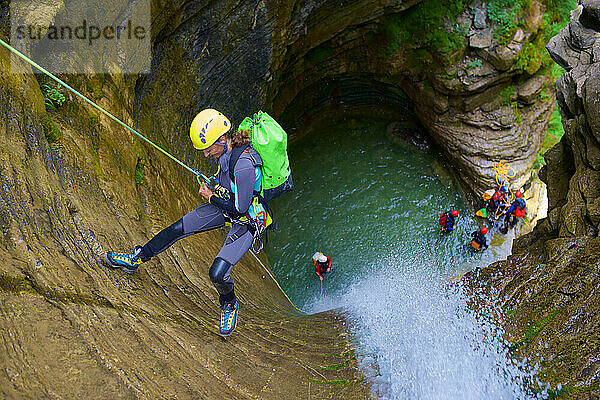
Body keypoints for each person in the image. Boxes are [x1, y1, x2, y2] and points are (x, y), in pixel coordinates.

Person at [105, 109, 268, 337]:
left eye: (208, 149)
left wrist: (210, 197)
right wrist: (213, 185)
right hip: (226, 206)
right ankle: (136, 258)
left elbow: (240, 208)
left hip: (246, 220)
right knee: (177, 229)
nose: (205, 155)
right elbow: (227, 184)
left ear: (222, 140)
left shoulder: (243, 164)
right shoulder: (226, 154)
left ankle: (229, 303)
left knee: (217, 274)